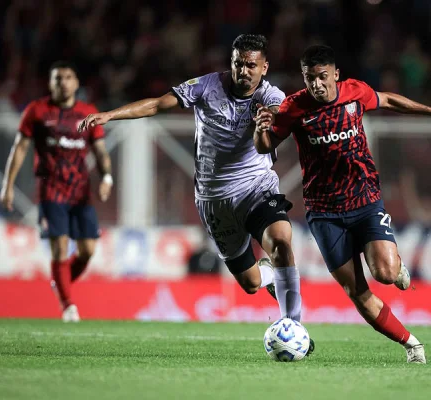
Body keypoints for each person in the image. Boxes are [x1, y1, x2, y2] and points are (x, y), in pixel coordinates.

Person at [78, 34, 313, 354]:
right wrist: (109, 115)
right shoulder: (206, 86)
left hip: (256, 187)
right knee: (251, 284)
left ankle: (293, 326)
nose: (243, 71)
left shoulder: (271, 96)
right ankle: (269, 275)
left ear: (264, 67)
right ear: (231, 63)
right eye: (238, 64)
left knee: (282, 242)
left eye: (251, 66)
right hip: (213, 200)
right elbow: (158, 104)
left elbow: (278, 115)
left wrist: (268, 121)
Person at [254, 44, 431, 363]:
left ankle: (395, 266)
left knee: (385, 272)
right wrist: (260, 131)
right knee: (358, 292)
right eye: (309, 78)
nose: (316, 84)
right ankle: (413, 345)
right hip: (324, 214)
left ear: (336, 75)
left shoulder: (354, 92)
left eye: (322, 76)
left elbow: (389, 99)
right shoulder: (293, 108)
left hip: (365, 200)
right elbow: (265, 146)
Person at [0, 61, 113, 322]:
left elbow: (101, 151)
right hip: (51, 190)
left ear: (76, 83)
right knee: (59, 248)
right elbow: (20, 148)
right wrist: (8, 186)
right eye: (57, 78)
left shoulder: (88, 112)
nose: (63, 82)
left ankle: (60, 282)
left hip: (81, 192)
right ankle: (68, 305)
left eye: (68, 77)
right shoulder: (37, 111)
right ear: (50, 83)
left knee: (87, 251)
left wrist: (107, 177)